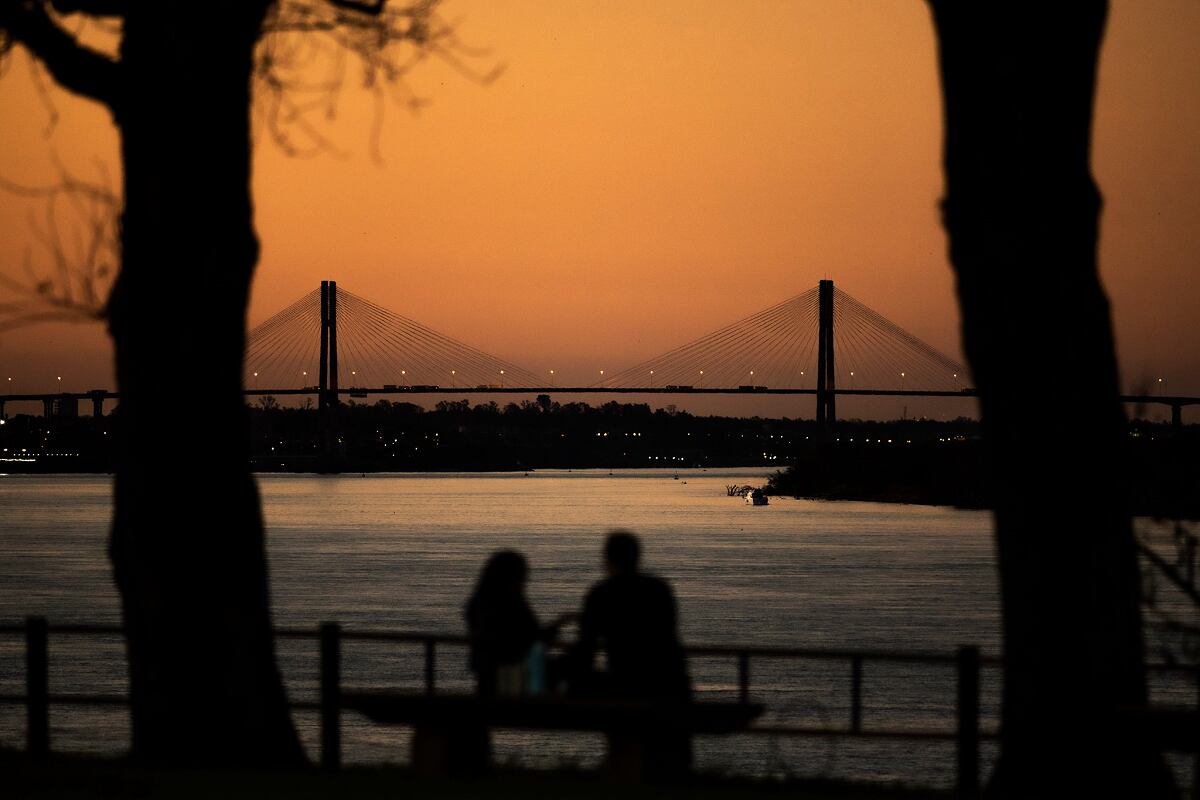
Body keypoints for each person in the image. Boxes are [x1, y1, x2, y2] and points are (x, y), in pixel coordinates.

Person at [572, 530, 692, 777]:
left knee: (620, 726)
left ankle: (622, 764)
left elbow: (584, 652)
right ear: (638, 557)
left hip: (625, 685)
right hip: (669, 685)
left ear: (607, 559)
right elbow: (670, 641)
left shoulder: (602, 594)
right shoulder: (658, 590)